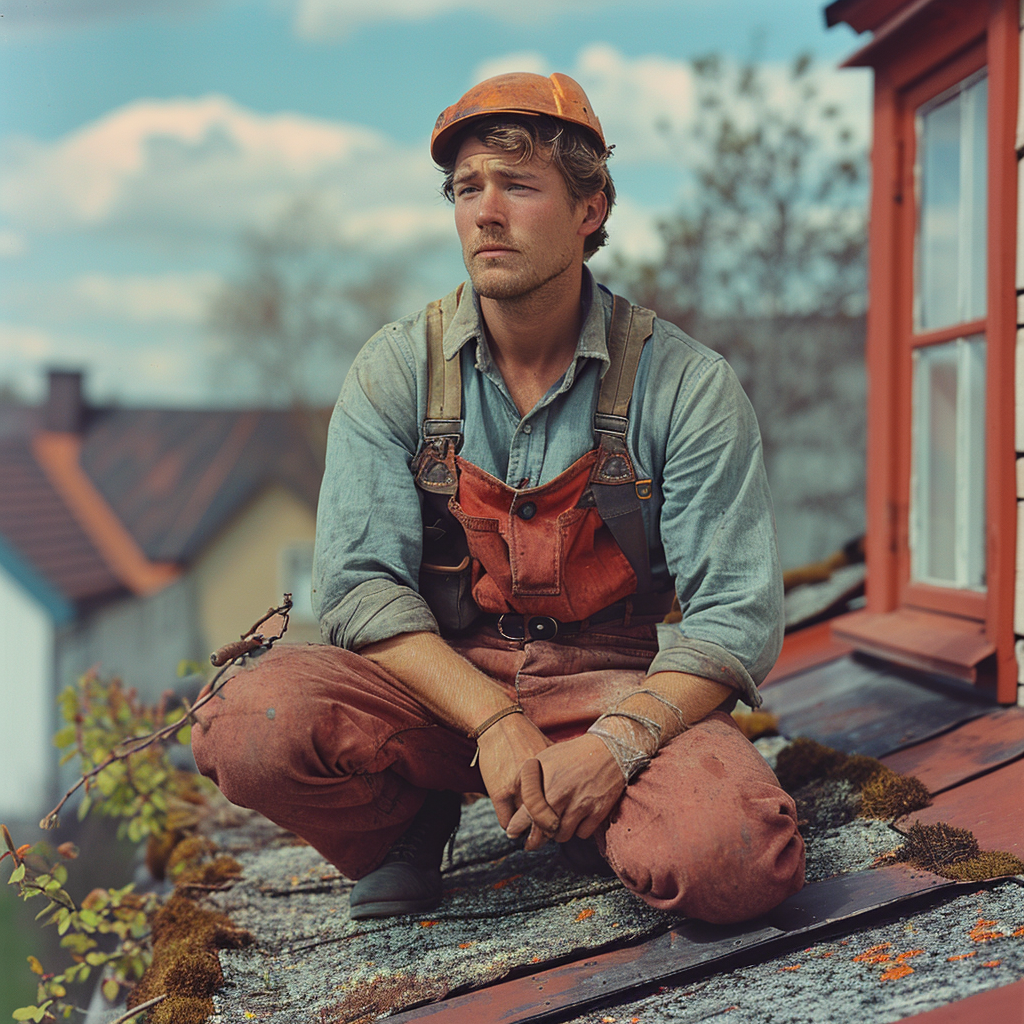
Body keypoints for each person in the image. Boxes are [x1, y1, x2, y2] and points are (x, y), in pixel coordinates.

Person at [192, 72, 805, 926]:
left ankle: (594, 807)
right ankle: (406, 821)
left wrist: (619, 747)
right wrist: (491, 721)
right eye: (467, 187)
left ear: (590, 209)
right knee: (244, 720)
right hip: (444, 693)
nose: (486, 211)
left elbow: (735, 615)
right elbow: (359, 588)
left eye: (518, 185)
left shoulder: (685, 386)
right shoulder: (398, 368)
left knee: (736, 864)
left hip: (615, 688)